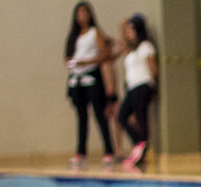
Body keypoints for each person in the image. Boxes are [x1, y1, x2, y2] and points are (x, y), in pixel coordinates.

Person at [64, 2, 115, 169]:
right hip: (77, 78)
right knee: (81, 116)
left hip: (92, 76)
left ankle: (109, 150)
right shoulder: (74, 35)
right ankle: (81, 152)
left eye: (84, 12)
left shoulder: (95, 33)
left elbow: (105, 54)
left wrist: (87, 61)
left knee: (99, 114)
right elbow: (68, 57)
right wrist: (73, 64)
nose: (82, 16)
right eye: (79, 13)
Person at [117, 14, 157, 169]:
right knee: (122, 116)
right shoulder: (131, 51)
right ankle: (139, 144)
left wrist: (153, 89)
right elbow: (124, 41)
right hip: (132, 87)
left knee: (141, 117)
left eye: (131, 30)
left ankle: (143, 148)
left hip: (143, 85)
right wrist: (123, 27)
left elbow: (153, 69)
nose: (129, 33)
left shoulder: (146, 47)